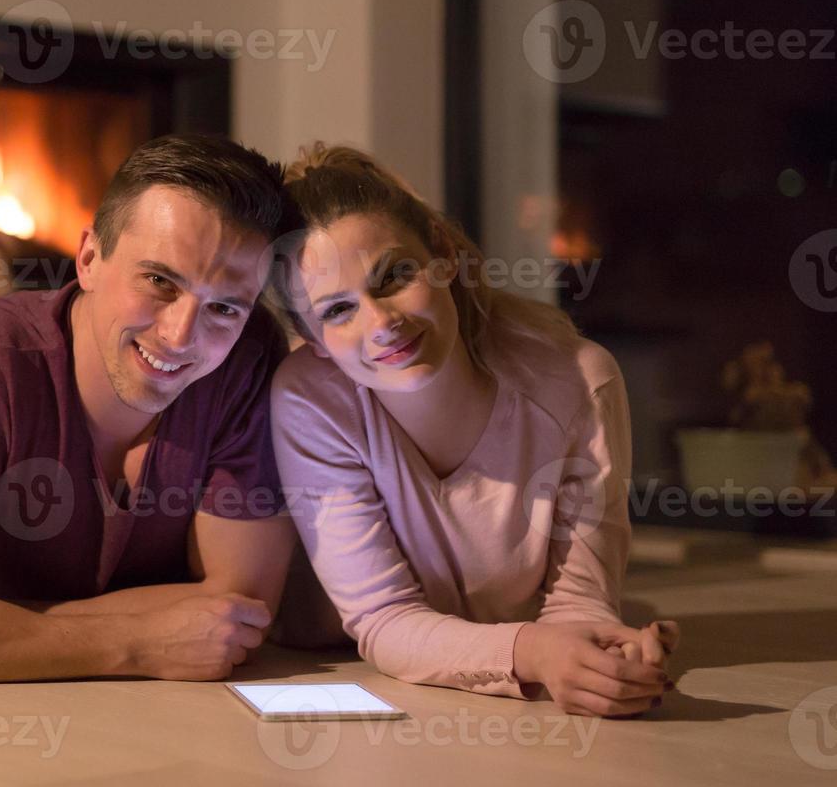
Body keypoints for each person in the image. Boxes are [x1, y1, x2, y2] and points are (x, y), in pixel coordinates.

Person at [0, 134, 299, 683]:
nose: (180, 335)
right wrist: (136, 642)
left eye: (224, 307)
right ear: (89, 258)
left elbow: (237, 609)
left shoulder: (247, 360)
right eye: (158, 280)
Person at [269, 143, 680, 718]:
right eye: (338, 311)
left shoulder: (579, 382)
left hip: (475, 654)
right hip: (319, 657)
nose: (383, 323)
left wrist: (599, 656)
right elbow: (384, 617)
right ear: (311, 340)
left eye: (394, 276)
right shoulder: (310, 398)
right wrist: (535, 652)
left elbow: (578, 602)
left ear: (440, 252)